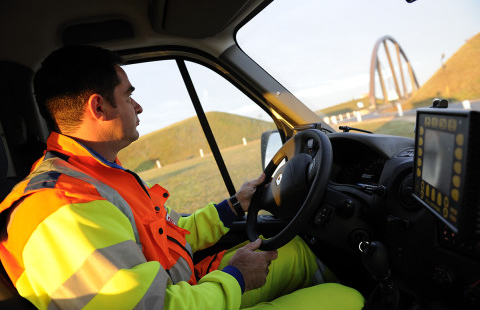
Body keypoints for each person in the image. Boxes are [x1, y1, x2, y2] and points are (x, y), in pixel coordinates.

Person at [0, 45, 364, 309]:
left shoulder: (103, 176)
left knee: (295, 251)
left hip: (186, 289)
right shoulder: (64, 209)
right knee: (347, 300)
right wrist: (236, 277)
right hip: (180, 302)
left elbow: (171, 236)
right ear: (98, 106)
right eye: (128, 96)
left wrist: (236, 205)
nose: (138, 106)